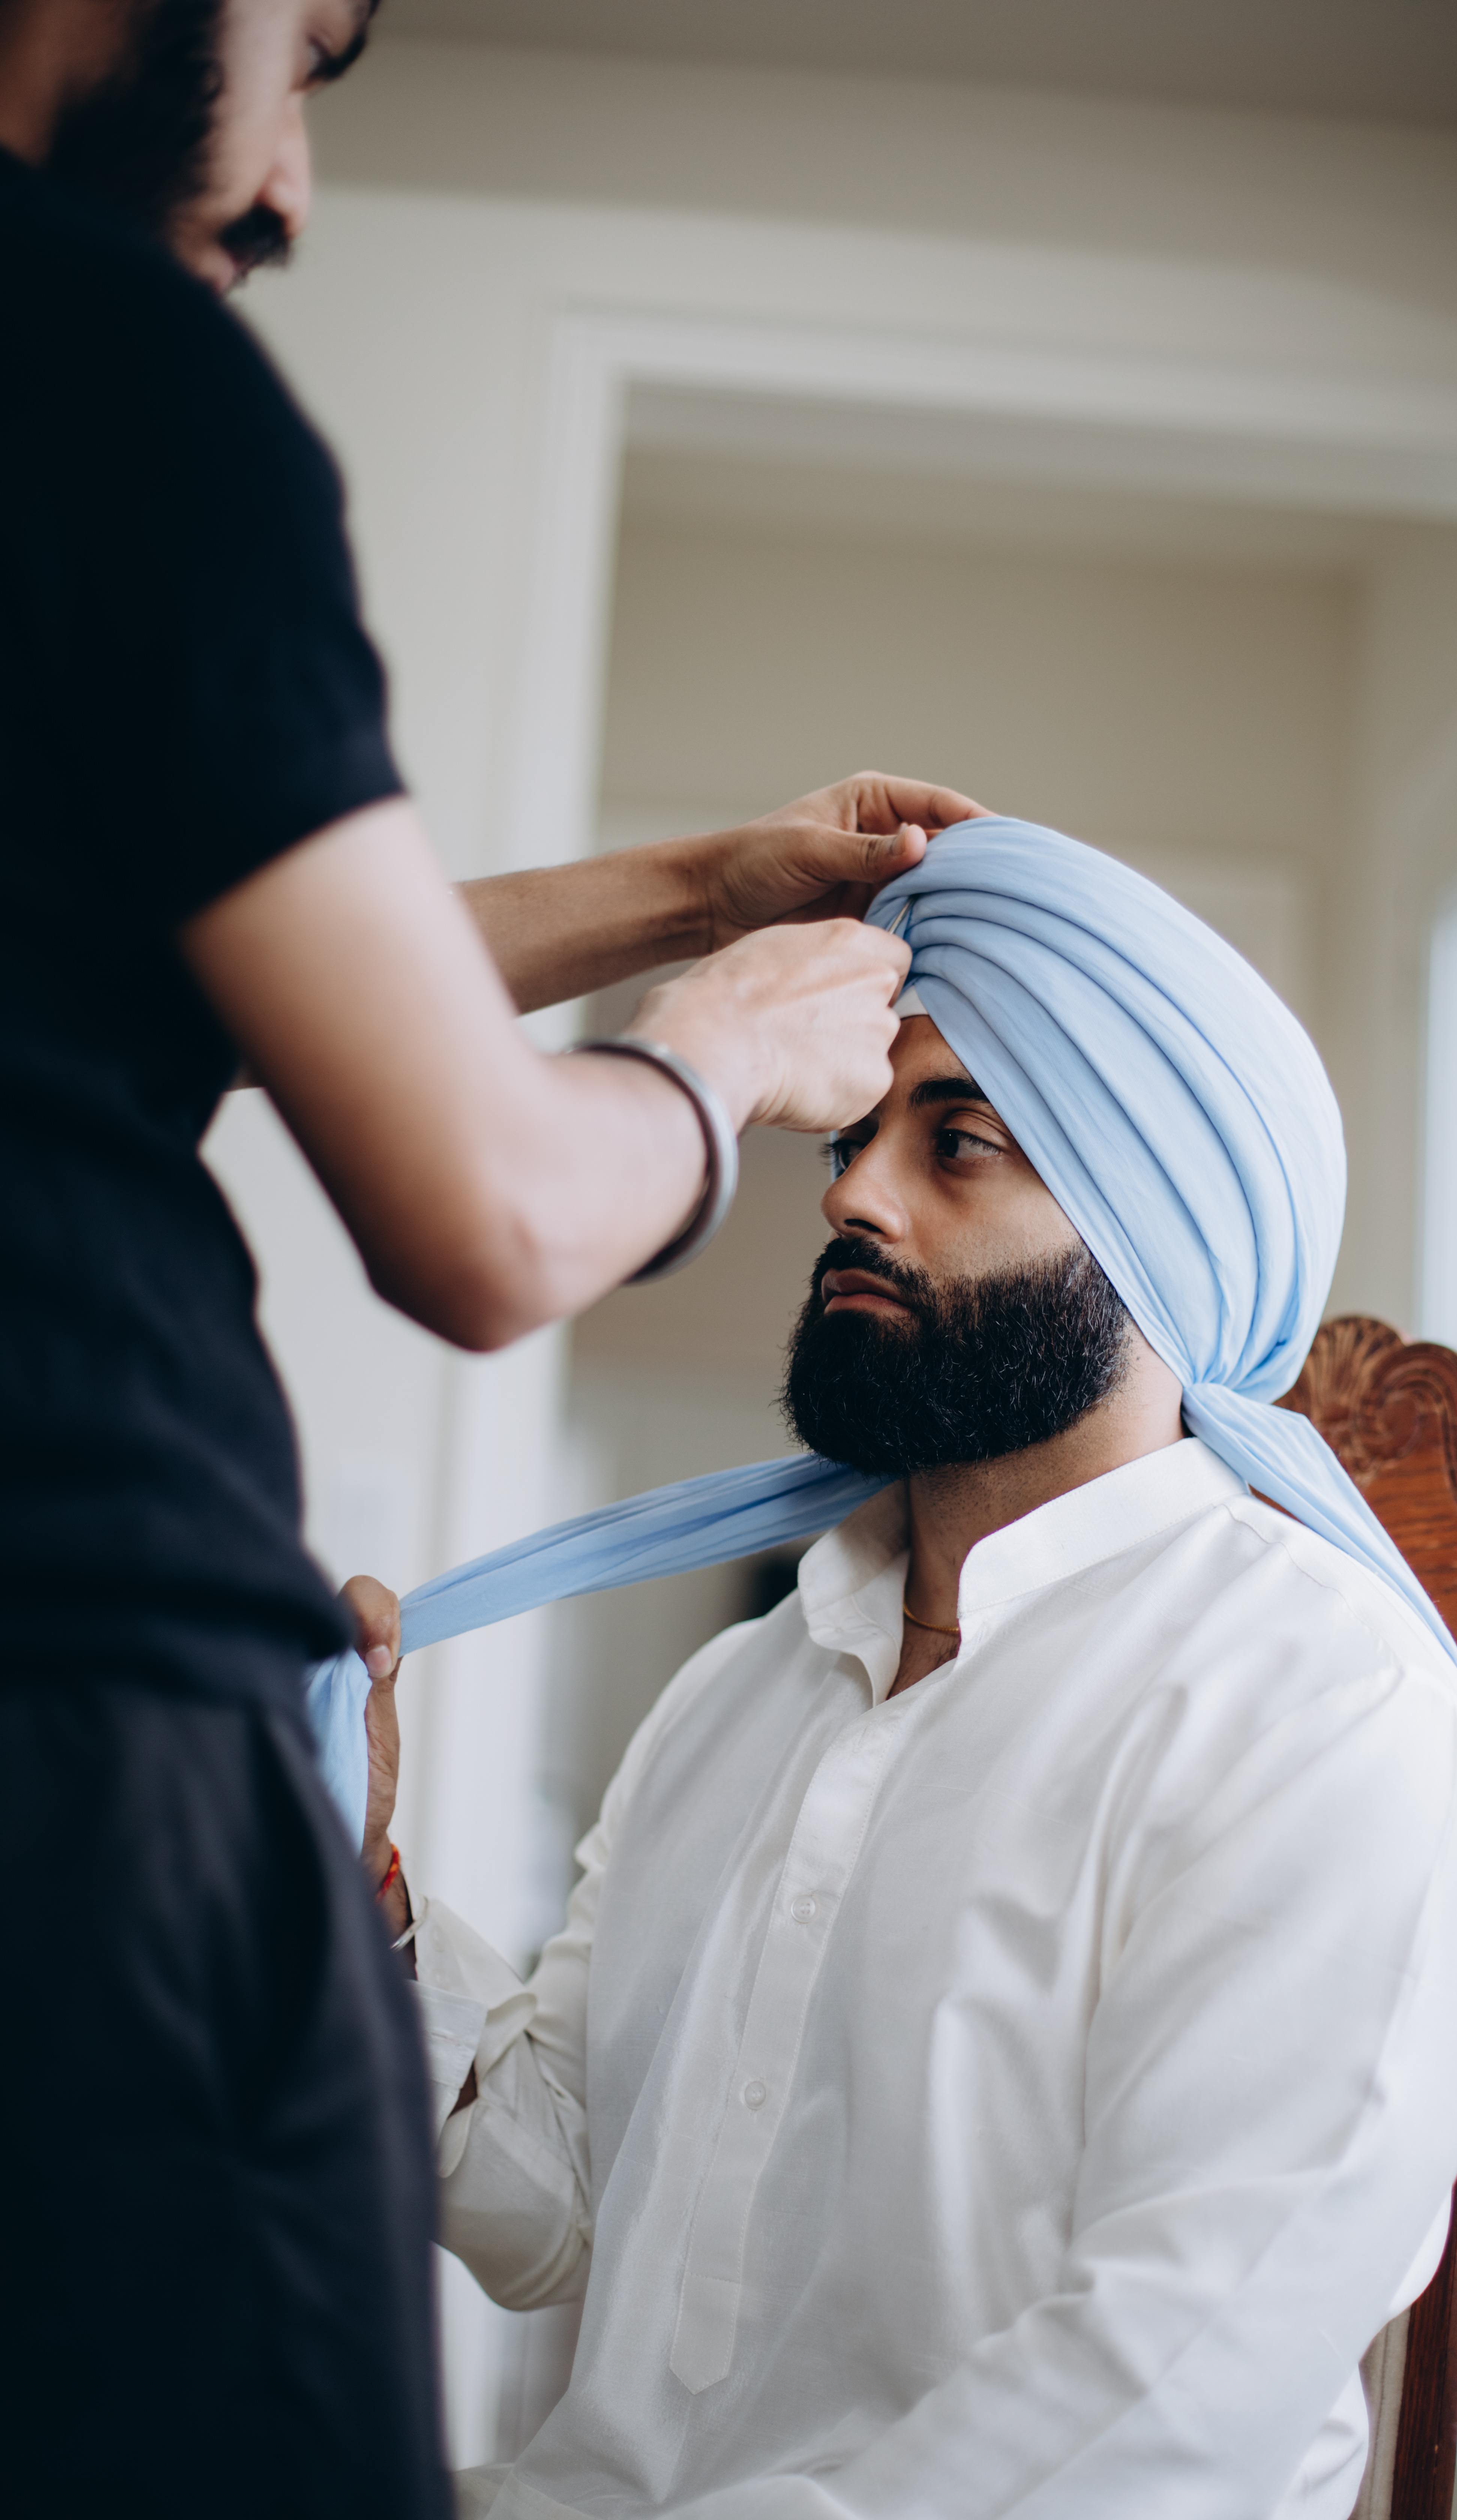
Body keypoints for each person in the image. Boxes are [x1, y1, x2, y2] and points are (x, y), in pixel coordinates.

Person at [0, 6, 980, 2514]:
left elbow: (184, 947)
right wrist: (712, 1064)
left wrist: (711, 883)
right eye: (305, 44)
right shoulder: (117, 373)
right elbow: (487, 1215)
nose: (290, 182)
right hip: (83, 1775)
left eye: (963, 1140)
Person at [346, 822, 1457, 2520]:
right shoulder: (738, 1692)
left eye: (957, 1142)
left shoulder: (1328, 1723)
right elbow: (574, 2218)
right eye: (855, 1136)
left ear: (1157, 1230)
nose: (845, 1191)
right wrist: (366, 1895)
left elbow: (1157, 2411)